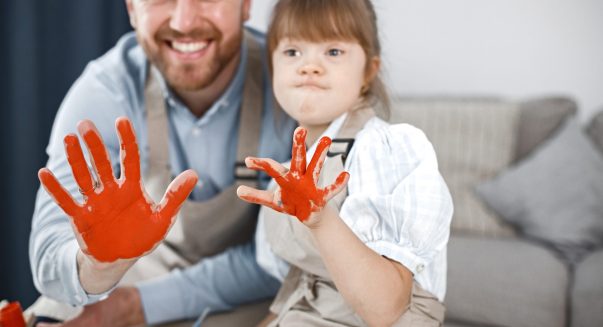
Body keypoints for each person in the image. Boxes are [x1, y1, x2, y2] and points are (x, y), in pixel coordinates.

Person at [29, 0, 295, 325]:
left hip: (247, 297)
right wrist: (97, 266)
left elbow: (285, 256)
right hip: (121, 282)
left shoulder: (295, 81)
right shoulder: (107, 90)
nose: (184, 22)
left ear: (246, 5)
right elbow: (50, 258)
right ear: (131, 8)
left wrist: (141, 305)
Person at [235, 0, 454, 325]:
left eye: (333, 52)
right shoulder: (288, 170)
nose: (309, 66)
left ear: (369, 71)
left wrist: (321, 220)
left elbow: (386, 309)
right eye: (292, 52)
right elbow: (299, 286)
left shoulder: (385, 150)